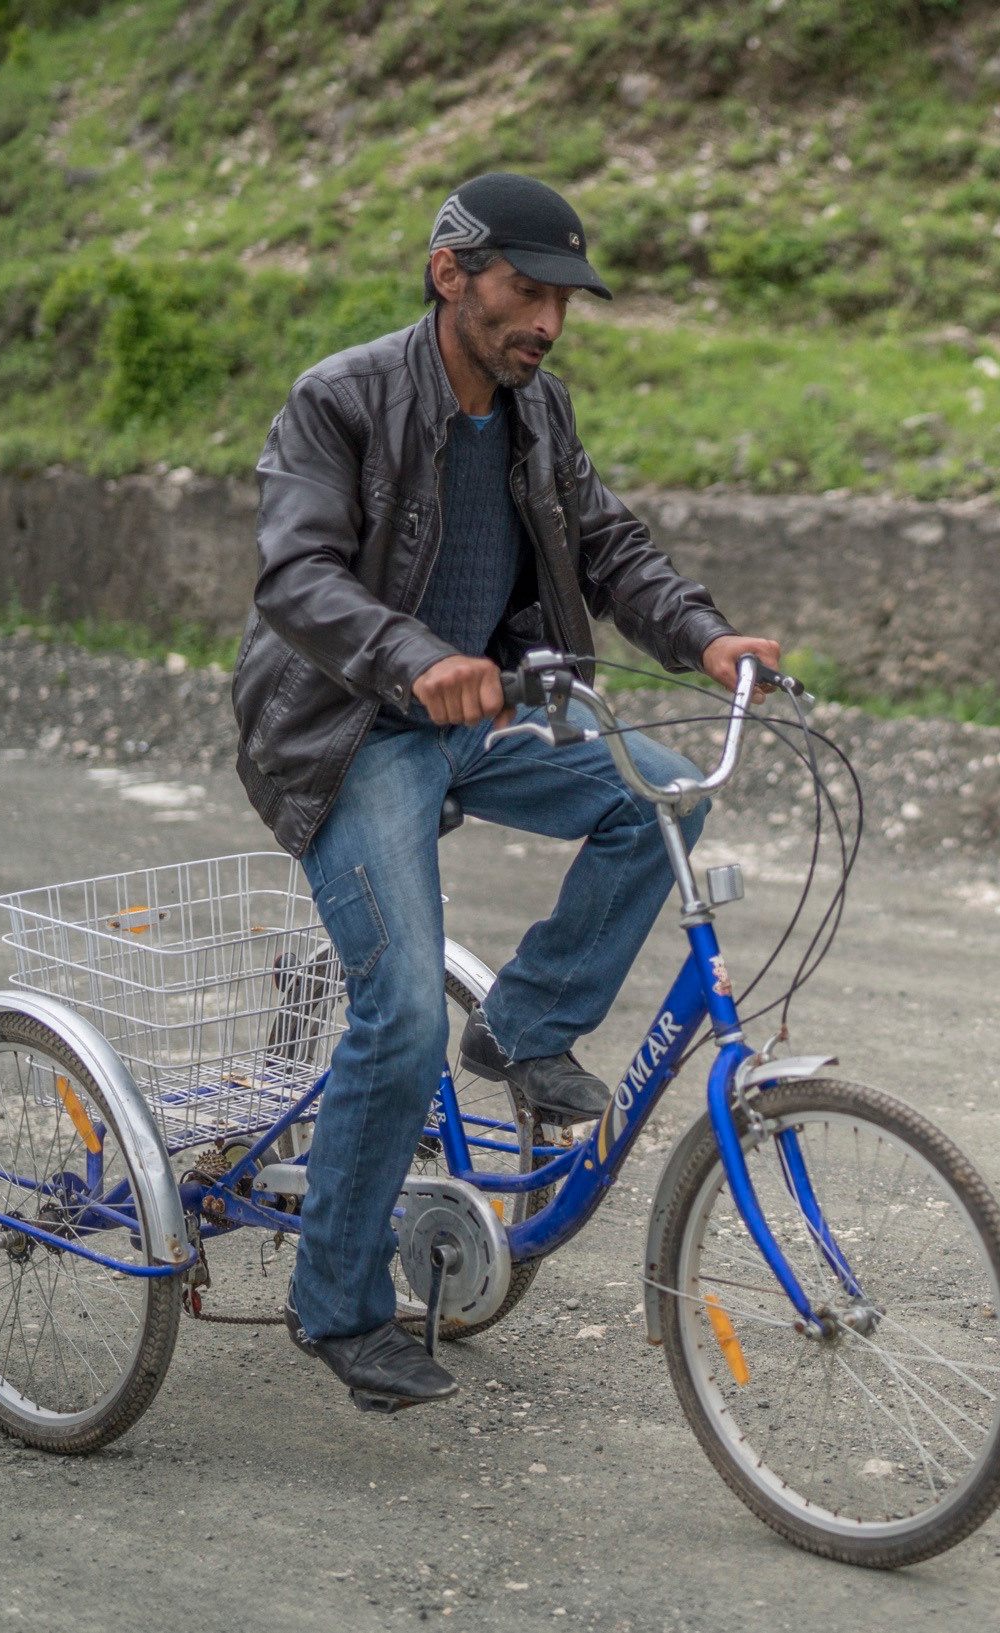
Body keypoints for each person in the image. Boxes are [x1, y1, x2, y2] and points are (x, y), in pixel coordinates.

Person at [231, 171, 782, 1412]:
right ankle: (337, 1307)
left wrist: (703, 636)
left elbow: (605, 543)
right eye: (524, 292)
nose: (546, 320)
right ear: (450, 276)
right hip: (347, 727)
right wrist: (415, 658)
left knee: (665, 793)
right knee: (398, 1022)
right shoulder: (342, 399)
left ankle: (525, 1025)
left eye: (561, 301)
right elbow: (297, 576)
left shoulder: (539, 413)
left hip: (480, 713)